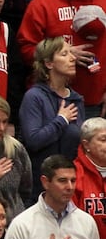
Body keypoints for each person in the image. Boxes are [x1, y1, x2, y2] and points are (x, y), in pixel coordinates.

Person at [19, 0, 106, 115]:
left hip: (96, 100)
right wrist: (61, 53)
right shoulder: (43, 4)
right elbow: (25, 49)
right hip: (52, 101)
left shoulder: (104, 0)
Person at [19, 38, 84, 166]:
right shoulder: (34, 97)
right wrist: (61, 120)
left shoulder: (76, 99)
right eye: (64, 54)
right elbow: (33, 141)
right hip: (43, 178)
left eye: (71, 53)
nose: (73, 58)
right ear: (49, 63)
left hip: (71, 178)